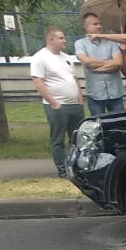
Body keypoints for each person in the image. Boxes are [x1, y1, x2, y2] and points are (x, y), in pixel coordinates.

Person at [29, 26, 83, 178]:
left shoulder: (66, 58)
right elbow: (38, 81)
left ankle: (76, 167)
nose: (64, 40)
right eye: (61, 38)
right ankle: (62, 169)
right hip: (58, 106)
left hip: (74, 105)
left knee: (77, 138)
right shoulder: (40, 57)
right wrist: (53, 102)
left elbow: (74, 78)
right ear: (50, 39)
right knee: (58, 139)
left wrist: (79, 97)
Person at [74, 12, 125, 116]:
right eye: (95, 24)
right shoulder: (80, 43)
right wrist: (110, 63)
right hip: (95, 93)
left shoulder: (112, 42)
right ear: (86, 27)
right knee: (98, 126)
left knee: (118, 125)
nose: (99, 26)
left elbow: (119, 63)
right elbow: (88, 62)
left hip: (115, 92)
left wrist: (98, 68)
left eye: (100, 23)